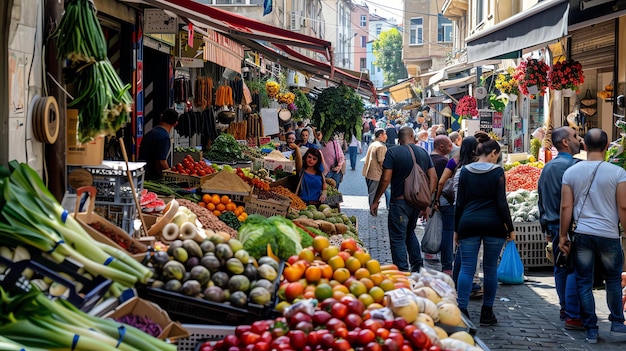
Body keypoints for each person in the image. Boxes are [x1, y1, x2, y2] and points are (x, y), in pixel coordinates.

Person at [558, 128, 626, 344]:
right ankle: (617, 324)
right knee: (613, 280)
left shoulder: (571, 173)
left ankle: (591, 329)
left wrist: (562, 236)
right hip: (609, 234)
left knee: (584, 281)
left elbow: (565, 207)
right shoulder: (618, 173)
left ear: (584, 146)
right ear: (607, 146)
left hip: (583, 234)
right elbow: (623, 207)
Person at [455, 132, 515, 325]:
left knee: (467, 268)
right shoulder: (497, 172)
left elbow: (460, 203)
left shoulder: (464, 171)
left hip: (468, 223)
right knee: (490, 270)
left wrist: (456, 229)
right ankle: (486, 312)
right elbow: (501, 203)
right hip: (494, 225)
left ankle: (462, 310)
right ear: (493, 153)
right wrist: (510, 228)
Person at [370, 126, 437, 272]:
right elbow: (433, 178)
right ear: (413, 136)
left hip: (399, 202)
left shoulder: (393, 152)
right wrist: (426, 202)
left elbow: (385, 179)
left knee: (398, 238)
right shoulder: (424, 153)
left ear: (399, 139)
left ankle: (402, 271)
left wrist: (376, 200)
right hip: (417, 203)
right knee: (410, 232)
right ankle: (418, 267)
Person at [537, 127, 583, 330]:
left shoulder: (547, 168)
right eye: (574, 137)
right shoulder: (575, 166)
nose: (578, 140)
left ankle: (565, 308)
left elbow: (541, 201)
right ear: (565, 142)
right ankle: (573, 313)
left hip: (554, 226)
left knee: (561, 267)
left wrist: (545, 226)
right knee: (574, 268)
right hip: (573, 227)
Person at [428, 135, 453, 273]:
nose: (452, 148)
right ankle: (447, 264)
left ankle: (430, 252)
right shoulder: (444, 161)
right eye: (450, 145)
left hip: (430, 198)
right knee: (446, 231)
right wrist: (437, 199)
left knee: (435, 227)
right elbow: (442, 182)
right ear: (441, 147)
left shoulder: (428, 158)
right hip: (442, 199)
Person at [139, 109, 179, 180]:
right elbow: (161, 161)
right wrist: (171, 177)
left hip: (142, 173)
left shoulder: (150, 133)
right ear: (175, 123)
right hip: (152, 177)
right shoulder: (164, 137)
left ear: (161, 118)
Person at [363, 129, 390, 208]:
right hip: (377, 174)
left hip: (370, 173)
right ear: (380, 136)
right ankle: (374, 208)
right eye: (385, 134)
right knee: (378, 192)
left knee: (372, 193)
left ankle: (373, 207)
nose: (386, 136)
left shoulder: (373, 144)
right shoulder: (381, 146)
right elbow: (381, 161)